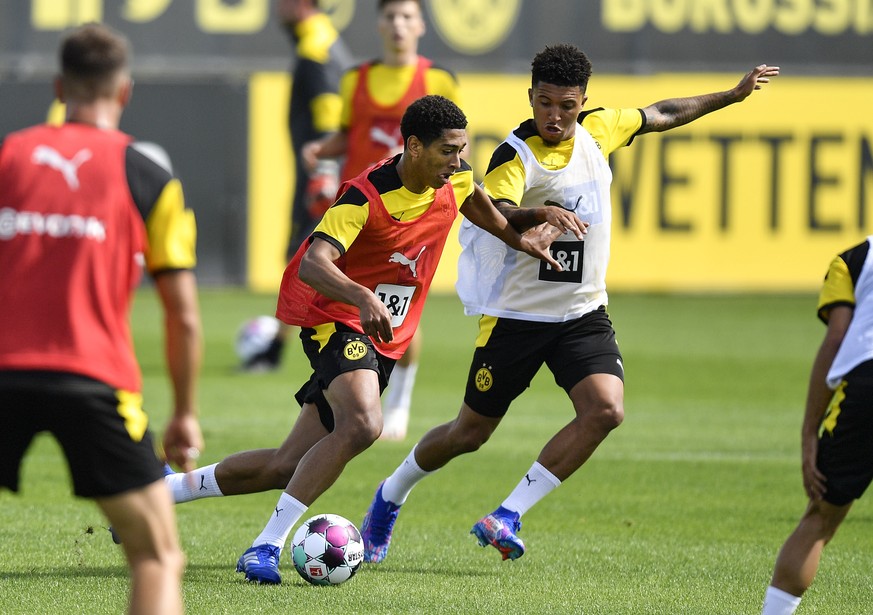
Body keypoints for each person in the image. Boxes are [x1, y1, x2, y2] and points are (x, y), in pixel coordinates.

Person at [360, 44, 780, 564]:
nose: (554, 116)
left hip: (582, 312)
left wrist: (733, 96)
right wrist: (539, 215)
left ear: (584, 101)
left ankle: (507, 514)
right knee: (469, 433)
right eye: (544, 103)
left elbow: (663, 113)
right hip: (517, 317)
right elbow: (498, 210)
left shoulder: (601, 129)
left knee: (606, 409)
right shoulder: (516, 154)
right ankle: (390, 495)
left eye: (566, 105)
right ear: (530, 97)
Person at [164, 94, 585, 585]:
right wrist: (361, 296)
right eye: (448, 151)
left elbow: (487, 213)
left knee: (284, 466)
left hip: (384, 337)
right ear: (413, 146)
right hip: (334, 317)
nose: (458, 161)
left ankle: (162, 492)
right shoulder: (363, 197)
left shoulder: (458, 177)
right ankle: (265, 546)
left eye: (461, 150)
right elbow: (313, 263)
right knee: (364, 423)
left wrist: (529, 228)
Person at [0, 22, 203, 615]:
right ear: (126, 91)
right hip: (94, 378)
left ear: (60, 86)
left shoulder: (9, 155)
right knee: (157, 557)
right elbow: (183, 315)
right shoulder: (149, 177)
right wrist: (185, 415)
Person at [300, 0, 463, 440]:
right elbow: (349, 135)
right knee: (332, 291)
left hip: (410, 215)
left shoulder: (436, 78)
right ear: (378, 24)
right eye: (391, 16)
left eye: (407, 16)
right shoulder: (356, 77)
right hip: (359, 212)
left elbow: (453, 144)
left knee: (398, 306)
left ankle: (399, 399)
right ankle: (340, 394)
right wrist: (321, 151)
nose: (398, 25)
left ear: (421, 25)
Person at [760, 238, 873, 614]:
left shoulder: (853, 260)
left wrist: (809, 432)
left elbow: (837, 338)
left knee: (820, 519)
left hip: (866, 388)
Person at [241, 0, 351, 372]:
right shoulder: (321, 42)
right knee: (307, 256)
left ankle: (278, 352)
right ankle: (281, 348)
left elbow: (328, 112)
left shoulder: (315, 48)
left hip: (321, 174)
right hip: (322, 171)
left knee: (310, 257)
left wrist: (324, 170)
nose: (275, 7)